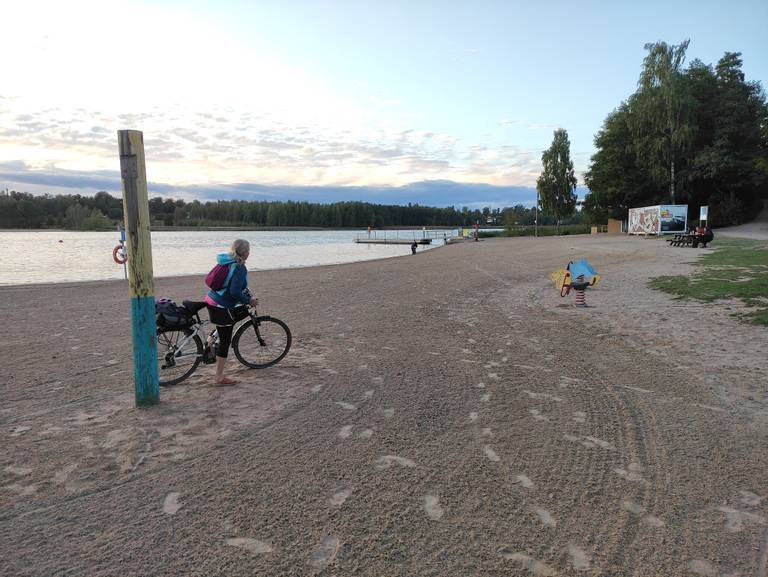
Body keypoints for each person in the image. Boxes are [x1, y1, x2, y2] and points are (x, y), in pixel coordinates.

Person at [205, 239, 258, 385]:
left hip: (211, 299)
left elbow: (228, 284)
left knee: (223, 326)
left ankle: (209, 343)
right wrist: (249, 301)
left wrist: (243, 294)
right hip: (221, 305)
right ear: (245, 252)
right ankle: (219, 377)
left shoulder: (226, 261)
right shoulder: (239, 267)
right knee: (226, 340)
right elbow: (234, 291)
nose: (249, 252)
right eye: (248, 250)